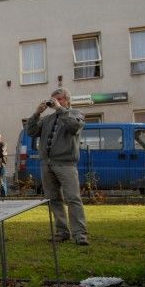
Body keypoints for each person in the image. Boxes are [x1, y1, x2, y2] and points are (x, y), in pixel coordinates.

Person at [26, 88, 89, 245]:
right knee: (54, 199)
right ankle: (62, 232)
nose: (55, 102)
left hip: (66, 164)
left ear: (67, 100)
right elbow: (31, 131)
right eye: (54, 99)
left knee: (73, 198)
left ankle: (80, 234)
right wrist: (36, 113)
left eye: (60, 99)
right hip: (47, 164)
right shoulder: (47, 119)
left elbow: (74, 128)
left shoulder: (76, 114)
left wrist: (60, 110)